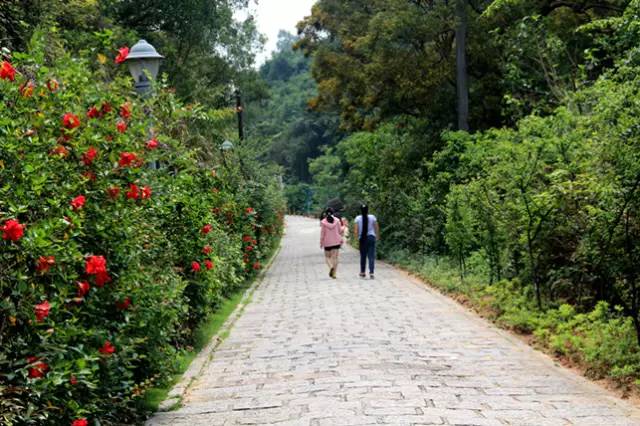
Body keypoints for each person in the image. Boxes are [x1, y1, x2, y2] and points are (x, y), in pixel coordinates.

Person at [354, 204, 379, 279]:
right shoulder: (372, 217)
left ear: (360, 210)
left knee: (363, 256)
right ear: (368, 210)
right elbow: (376, 227)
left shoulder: (358, 218)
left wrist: (357, 239)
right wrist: (377, 236)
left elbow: (356, 230)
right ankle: (371, 273)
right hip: (371, 237)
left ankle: (362, 272)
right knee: (371, 256)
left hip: (363, 239)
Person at [320, 208, 343, 279]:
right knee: (335, 258)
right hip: (336, 241)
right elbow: (340, 231)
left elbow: (322, 233)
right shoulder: (337, 221)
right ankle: (334, 273)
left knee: (327, 257)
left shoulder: (323, 222)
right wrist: (343, 228)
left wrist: (321, 242)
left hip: (327, 242)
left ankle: (331, 267)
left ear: (325, 214)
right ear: (333, 213)